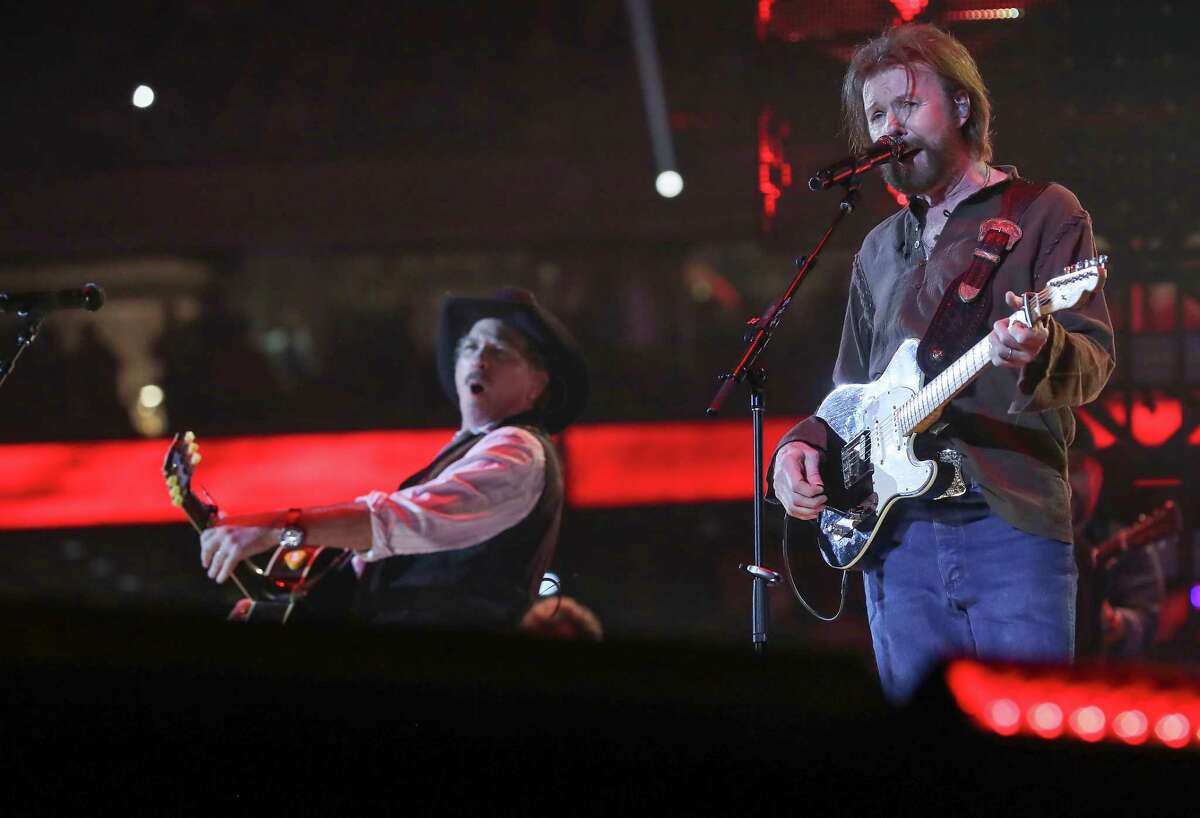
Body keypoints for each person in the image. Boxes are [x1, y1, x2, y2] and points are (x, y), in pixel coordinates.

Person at [770, 24, 1115, 703]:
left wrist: (1041, 350)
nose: (889, 128)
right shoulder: (877, 249)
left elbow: (1095, 358)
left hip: (1009, 521)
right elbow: (850, 392)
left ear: (961, 106)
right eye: (876, 115)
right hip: (896, 535)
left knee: (1028, 719)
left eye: (906, 104)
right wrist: (798, 447)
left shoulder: (1045, 212)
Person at [199, 288, 588, 629]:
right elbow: (370, 564)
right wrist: (280, 608)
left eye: (499, 350)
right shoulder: (469, 450)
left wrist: (277, 529)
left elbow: (395, 521)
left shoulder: (518, 449)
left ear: (538, 384)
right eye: (470, 347)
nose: (479, 359)